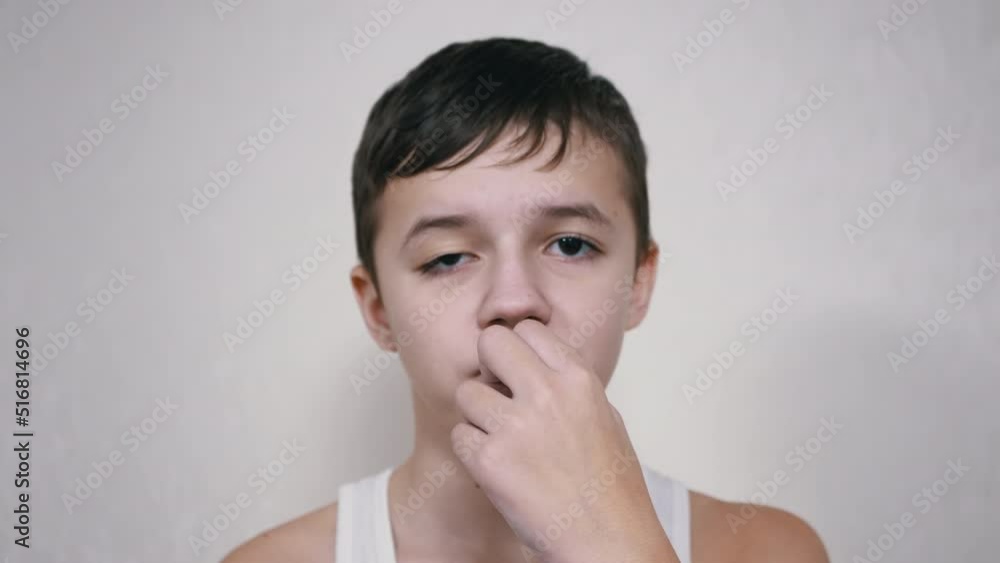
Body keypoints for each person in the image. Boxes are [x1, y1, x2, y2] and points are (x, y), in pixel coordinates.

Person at [224, 37, 829, 563]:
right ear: (377, 308)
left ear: (639, 282)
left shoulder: (765, 550)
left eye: (569, 244)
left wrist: (607, 543)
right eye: (448, 257)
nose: (513, 301)